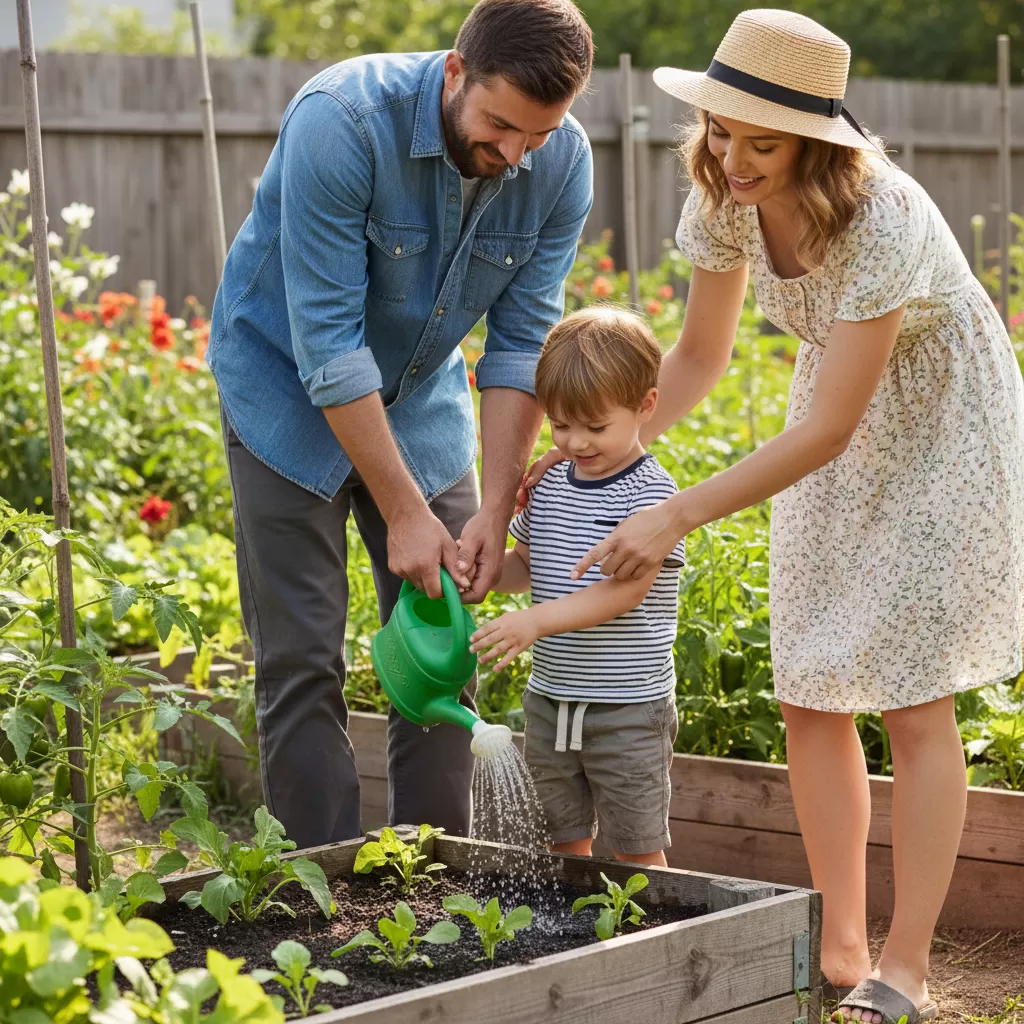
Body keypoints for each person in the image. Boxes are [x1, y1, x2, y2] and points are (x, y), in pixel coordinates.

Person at [520, 9, 1024, 1023]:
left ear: (817, 142)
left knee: (913, 698)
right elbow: (700, 357)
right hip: (831, 418)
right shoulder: (721, 199)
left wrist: (674, 515)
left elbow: (835, 427)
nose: (734, 158)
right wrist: (609, 435)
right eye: (720, 129)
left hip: (938, 422)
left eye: (764, 141)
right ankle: (838, 939)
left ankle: (906, 963)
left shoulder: (880, 217)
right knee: (811, 684)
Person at [207, 0, 594, 852]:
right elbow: (331, 350)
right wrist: (406, 508)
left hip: (423, 401)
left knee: (448, 647)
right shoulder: (340, 122)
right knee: (304, 659)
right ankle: (319, 890)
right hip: (285, 393)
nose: (515, 155)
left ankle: (427, 880)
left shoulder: (560, 161)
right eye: (499, 127)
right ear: (456, 71)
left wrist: (495, 508)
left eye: (537, 135)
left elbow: (522, 340)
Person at [471, 307, 686, 866]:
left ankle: (646, 945)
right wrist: (486, 575)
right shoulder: (549, 484)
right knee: (561, 839)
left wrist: (535, 621)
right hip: (552, 699)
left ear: (645, 407)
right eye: (560, 425)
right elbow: (529, 562)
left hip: (629, 708)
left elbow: (623, 594)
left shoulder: (652, 499)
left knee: (634, 848)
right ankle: (582, 943)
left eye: (595, 427)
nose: (574, 442)